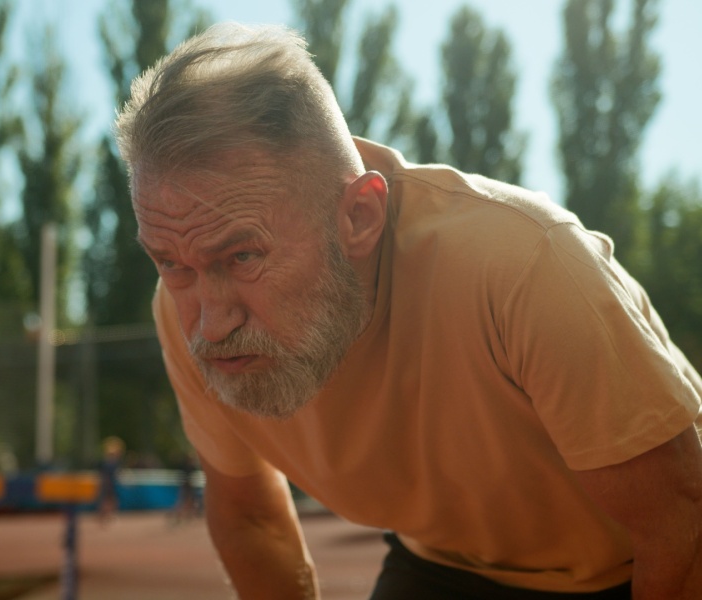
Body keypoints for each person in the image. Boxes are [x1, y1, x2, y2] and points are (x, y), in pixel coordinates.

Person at [114, 23, 702, 599]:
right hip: (441, 563)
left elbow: (682, 523)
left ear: (359, 217)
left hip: (635, 566)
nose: (212, 324)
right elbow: (251, 519)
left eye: (243, 255)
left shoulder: (521, 266)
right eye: (171, 263)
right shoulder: (183, 308)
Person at [97, 436, 125, 525]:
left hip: (108, 483)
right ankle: (105, 515)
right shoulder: (109, 462)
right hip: (108, 483)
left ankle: (106, 515)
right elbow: (106, 474)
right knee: (109, 500)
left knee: (110, 500)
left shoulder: (112, 462)